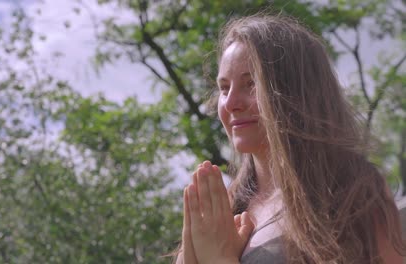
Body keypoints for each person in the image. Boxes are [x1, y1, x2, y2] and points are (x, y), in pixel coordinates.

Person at [174, 14, 406, 264]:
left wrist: (219, 259)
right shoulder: (225, 208)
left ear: (296, 92)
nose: (230, 103)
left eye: (251, 83)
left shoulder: (353, 190)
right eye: (223, 88)